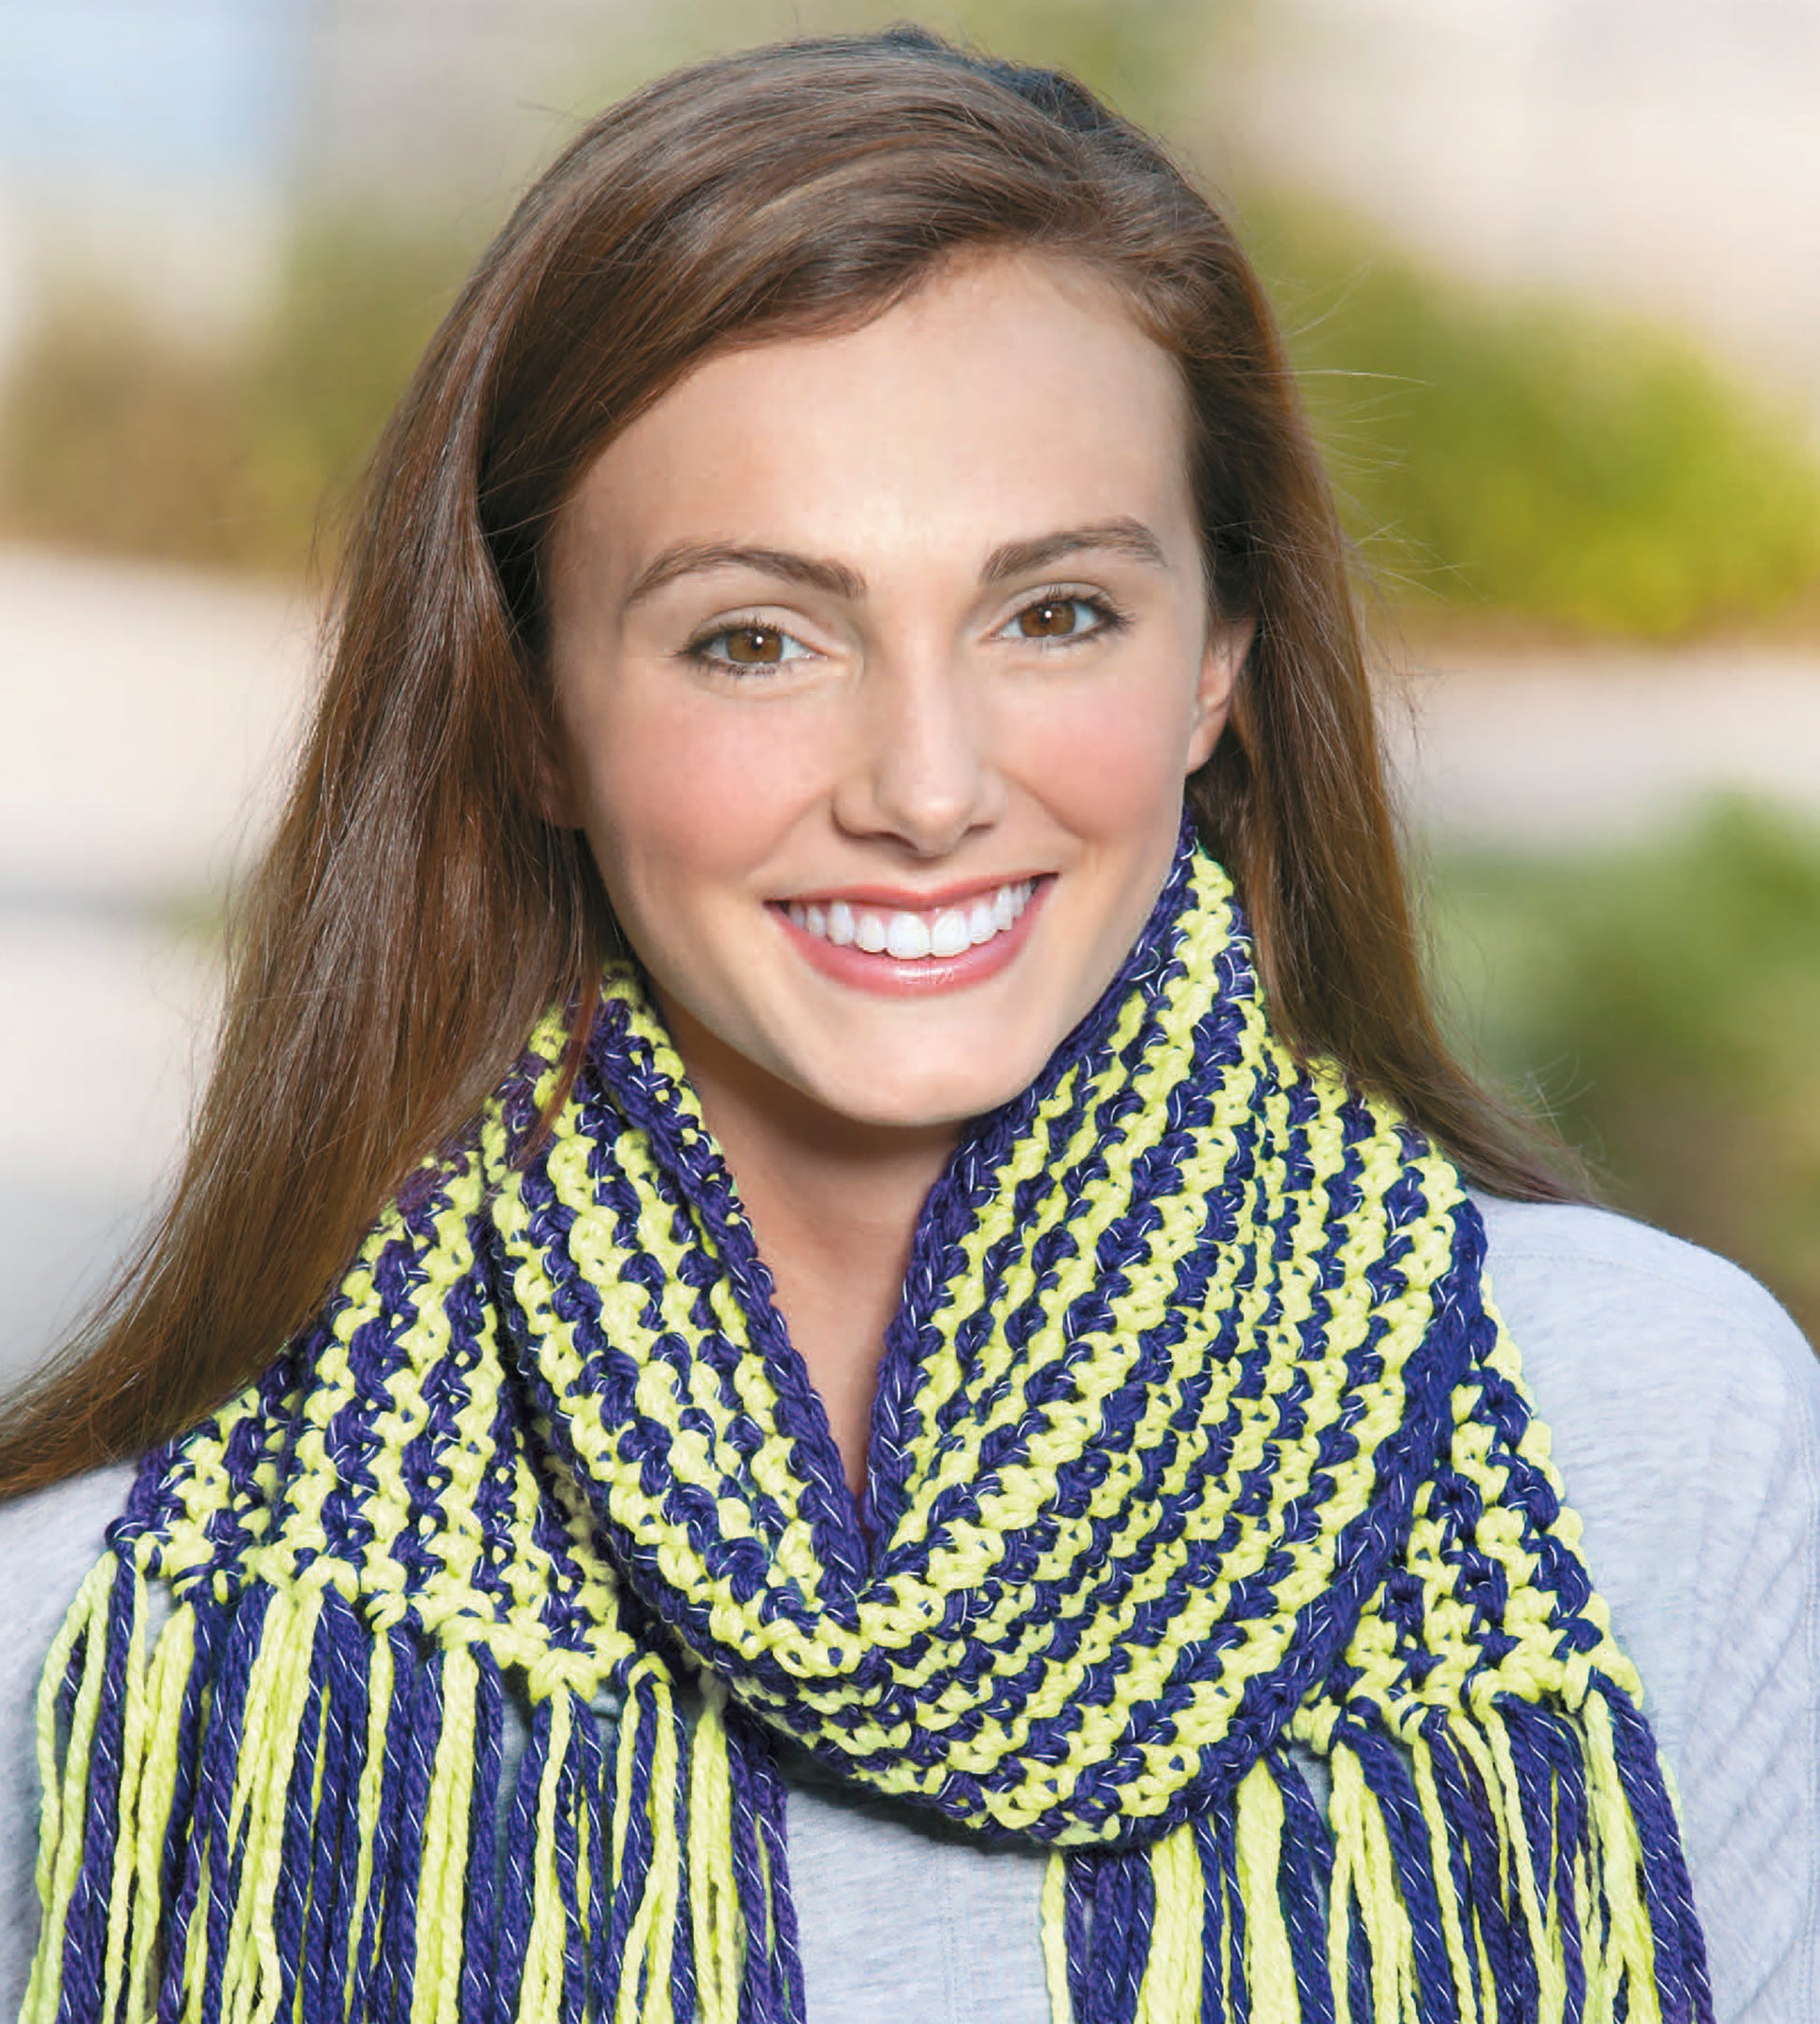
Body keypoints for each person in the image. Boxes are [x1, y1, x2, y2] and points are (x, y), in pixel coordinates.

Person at [0, 29, 1813, 2024]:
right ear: (527, 709)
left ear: (1220, 657)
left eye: (1053, 613)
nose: (927, 785)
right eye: (755, 637)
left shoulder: (1648, 1430)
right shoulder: (99, 1639)